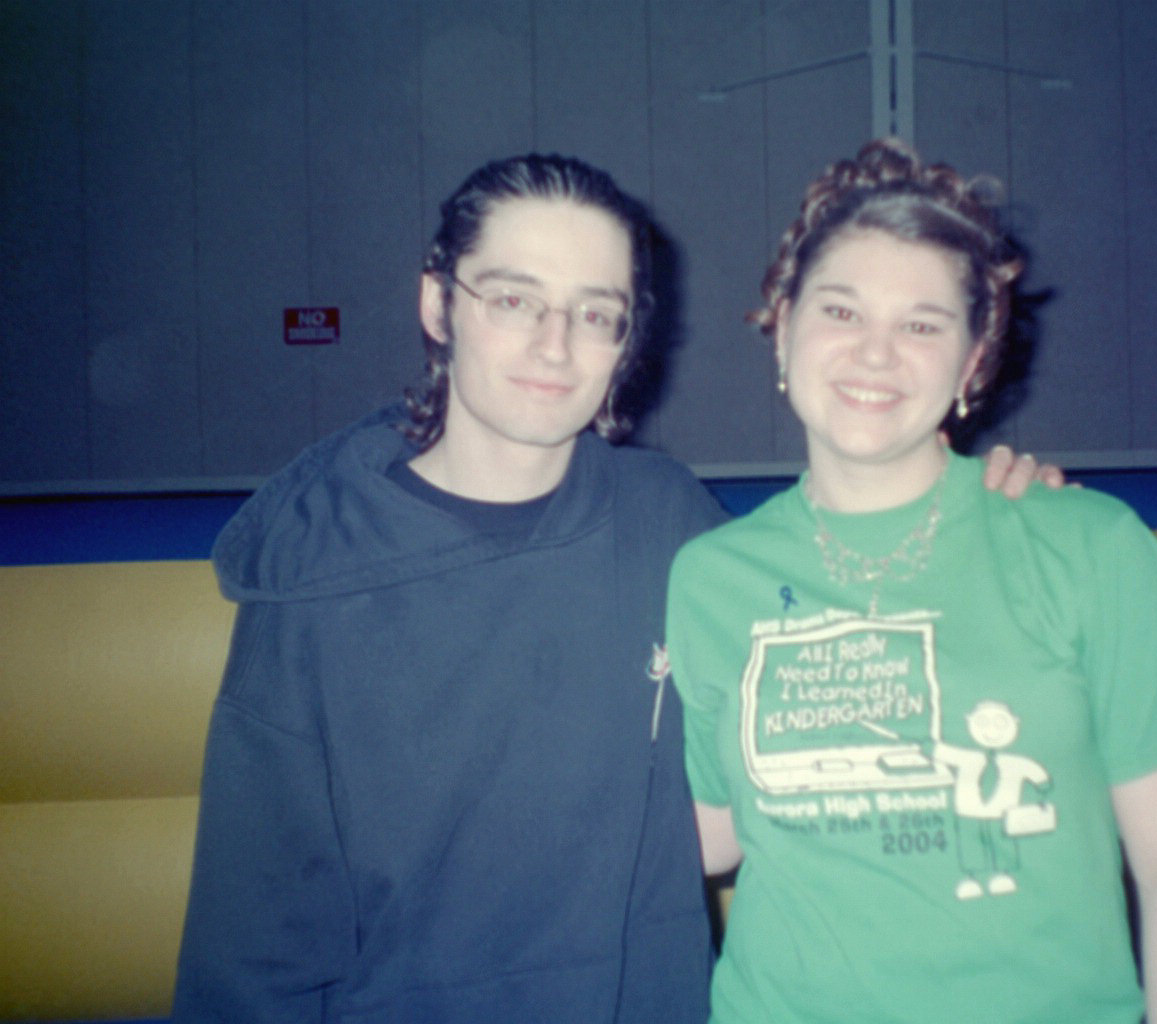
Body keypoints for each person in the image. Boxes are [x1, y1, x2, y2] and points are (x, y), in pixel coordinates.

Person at [173, 152, 1057, 1023]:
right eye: (514, 299)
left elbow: (846, 652)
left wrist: (987, 524)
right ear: (439, 305)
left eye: (595, 313)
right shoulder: (317, 575)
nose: (554, 345)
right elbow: (252, 946)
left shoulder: (669, 522)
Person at [666, 139, 1157, 1024]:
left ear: (973, 359)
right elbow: (713, 835)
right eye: (841, 310)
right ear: (784, 326)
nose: (875, 353)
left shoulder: (1088, 546)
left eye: (921, 325)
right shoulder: (712, 576)